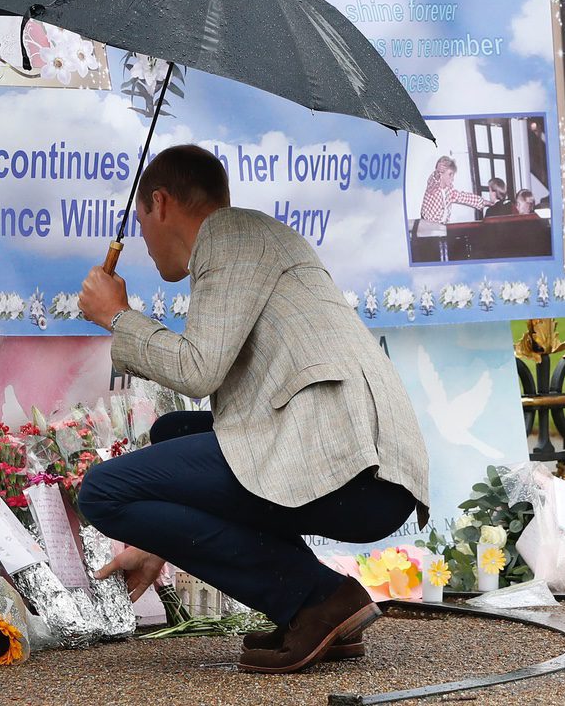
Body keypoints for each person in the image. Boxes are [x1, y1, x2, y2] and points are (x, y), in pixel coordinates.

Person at [73, 145, 428, 674]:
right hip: (361, 464)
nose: (142, 240)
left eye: (140, 220)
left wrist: (118, 317)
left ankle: (318, 599)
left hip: (351, 466)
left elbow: (197, 369)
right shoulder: (254, 237)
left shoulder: (229, 237)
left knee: (102, 492)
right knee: (174, 431)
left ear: (161, 203)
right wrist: (158, 539)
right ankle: (318, 610)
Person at [419, 156, 491, 223]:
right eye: (450, 174)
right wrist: (437, 171)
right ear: (441, 173)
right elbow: (434, 178)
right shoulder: (432, 187)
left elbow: (465, 197)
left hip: (441, 227)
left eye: (453, 175)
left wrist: (487, 202)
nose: (452, 178)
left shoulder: (449, 192)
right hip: (427, 226)